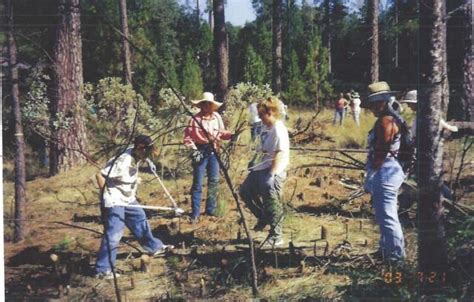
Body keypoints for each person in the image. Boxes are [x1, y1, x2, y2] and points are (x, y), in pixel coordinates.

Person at [95, 135, 172, 279]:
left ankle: (153, 247)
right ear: (139, 148)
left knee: (139, 217)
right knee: (114, 233)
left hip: (127, 198)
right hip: (114, 199)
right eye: (146, 153)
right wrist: (105, 195)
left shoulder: (135, 153)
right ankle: (103, 269)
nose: (147, 156)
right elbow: (99, 175)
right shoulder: (123, 161)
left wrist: (145, 165)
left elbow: (128, 171)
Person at [361, 82, 406, 262]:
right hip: (388, 171)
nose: (371, 109)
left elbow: (382, 150)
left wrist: (372, 173)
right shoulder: (391, 118)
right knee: (384, 214)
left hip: (385, 172)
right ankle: (386, 251)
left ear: (381, 102)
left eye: (373, 104)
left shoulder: (386, 121)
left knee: (387, 216)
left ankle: (396, 257)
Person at [239, 96, 290, 247]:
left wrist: (272, 174)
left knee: (271, 200)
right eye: (259, 115)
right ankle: (262, 216)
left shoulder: (278, 128)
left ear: (271, 112)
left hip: (274, 169)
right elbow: (262, 148)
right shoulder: (264, 127)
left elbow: (279, 153)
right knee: (244, 191)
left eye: (262, 114)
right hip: (261, 166)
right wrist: (254, 161)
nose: (260, 117)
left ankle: (276, 235)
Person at [184, 92, 232, 223]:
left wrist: (230, 135)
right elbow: (188, 138)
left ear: (212, 105)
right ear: (201, 105)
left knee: (214, 181)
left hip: (214, 152)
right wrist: (194, 151)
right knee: (198, 183)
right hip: (200, 150)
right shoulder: (195, 119)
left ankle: (210, 209)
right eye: (204, 104)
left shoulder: (216, 117)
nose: (207, 106)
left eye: (209, 104)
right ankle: (195, 213)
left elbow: (221, 133)